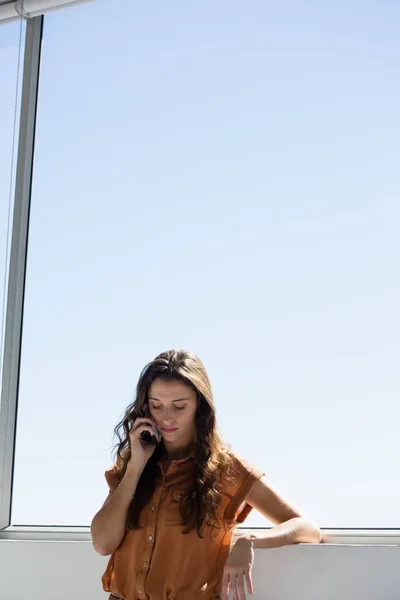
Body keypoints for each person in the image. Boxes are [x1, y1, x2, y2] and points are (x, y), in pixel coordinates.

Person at [91, 349, 321, 600]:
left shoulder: (228, 470)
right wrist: (136, 467)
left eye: (179, 406)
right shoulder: (132, 465)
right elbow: (102, 543)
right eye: (157, 406)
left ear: (199, 404)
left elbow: (306, 528)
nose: (166, 417)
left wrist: (250, 539)